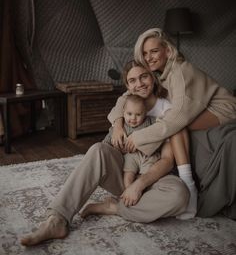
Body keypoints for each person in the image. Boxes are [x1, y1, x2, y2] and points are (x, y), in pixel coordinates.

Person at [20, 61, 189, 246]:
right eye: (132, 80)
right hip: (125, 173)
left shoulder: (167, 108)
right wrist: (117, 126)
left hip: (154, 177)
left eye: (144, 76)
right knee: (98, 149)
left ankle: (114, 207)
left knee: (180, 195)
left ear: (153, 77)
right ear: (127, 86)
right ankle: (57, 219)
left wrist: (139, 184)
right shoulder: (124, 105)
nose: (139, 83)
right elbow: (110, 145)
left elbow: (167, 160)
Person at [108, 27, 236, 218]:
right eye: (145, 53)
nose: (149, 57)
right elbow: (126, 97)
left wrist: (139, 137)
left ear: (167, 50)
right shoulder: (157, 72)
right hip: (199, 108)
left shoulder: (181, 71)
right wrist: (118, 125)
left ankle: (189, 186)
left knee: (174, 125)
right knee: (168, 121)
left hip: (223, 110)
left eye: (154, 51)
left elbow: (177, 118)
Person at [103, 94, 171, 190]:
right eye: (129, 114)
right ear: (123, 112)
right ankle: (128, 190)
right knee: (128, 174)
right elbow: (108, 140)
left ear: (145, 113)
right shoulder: (121, 127)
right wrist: (107, 145)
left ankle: (140, 191)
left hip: (148, 155)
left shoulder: (150, 121)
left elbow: (161, 128)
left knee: (148, 175)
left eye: (138, 114)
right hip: (130, 156)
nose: (133, 118)